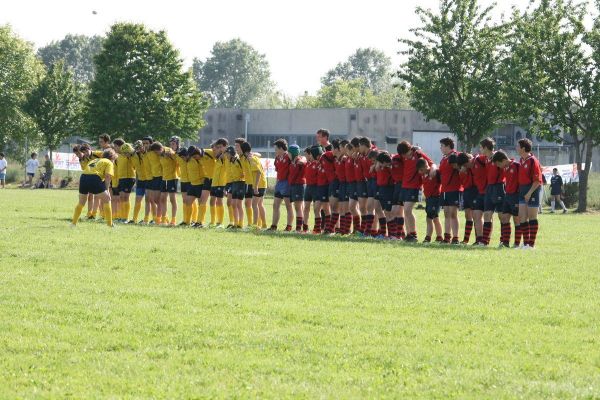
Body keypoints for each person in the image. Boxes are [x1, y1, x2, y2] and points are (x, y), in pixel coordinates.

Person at [398, 141, 436, 242]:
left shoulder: (418, 155)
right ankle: (409, 234)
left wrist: (433, 171)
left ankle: (413, 235)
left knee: (407, 210)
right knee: (405, 212)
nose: (405, 157)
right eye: (403, 155)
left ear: (410, 150)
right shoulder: (403, 156)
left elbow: (431, 164)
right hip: (404, 186)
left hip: (414, 187)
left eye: (406, 154)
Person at [71, 148, 116, 227]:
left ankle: (73, 223)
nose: (113, 161)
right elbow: (108, 176)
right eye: (114, 159)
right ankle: (110, 224)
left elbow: (87, 170)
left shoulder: (94, 160)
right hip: (94, 178)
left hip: (83, 177)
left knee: (81, 202)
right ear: (112, 157)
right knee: (107, 199)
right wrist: (107, 190)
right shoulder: (109, 162)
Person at [492, 150, 522, 248]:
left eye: (498, 163)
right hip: (507, 196)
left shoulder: (517, 166)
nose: (498, 166)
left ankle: (517, 243)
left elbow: (522, 181)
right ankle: (505, 243)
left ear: (504, 160)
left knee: (516, 219)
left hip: (516, 196)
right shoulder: (506, 168)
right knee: (504, 218)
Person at [517, 138, 542, 249]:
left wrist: (529, 193)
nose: (516, 148)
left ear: (523, 148)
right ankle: (526, 243)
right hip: (522, 191)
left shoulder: (533, 160)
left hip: (532, 190)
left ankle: (531, 245)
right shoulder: (521, 160)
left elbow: (537, 181)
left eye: (517, 146)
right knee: (522, 217)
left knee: (532, 217)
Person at [438, 137, 462, 244]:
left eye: (442, 146)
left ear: (448, 146)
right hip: (444, 189)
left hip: (454, 189)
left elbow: (461, 168)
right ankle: (447, 237)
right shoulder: (444, 158)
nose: (441, 148)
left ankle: (455, 238)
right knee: (446, 213)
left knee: (453, 213)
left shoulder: (455, 156)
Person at [269, 139, 293, 231]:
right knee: (275, 205)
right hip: (279, 183)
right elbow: (278, 171)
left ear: (281, 148)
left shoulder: (288, 156)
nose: (275, 151)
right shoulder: (277, 158)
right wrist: (276, 183)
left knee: (288, 206)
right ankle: (273, 226)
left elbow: (299, 159)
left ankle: (289, 226)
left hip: (287, 183)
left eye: (276, 149)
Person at [417, 158, 443, 243]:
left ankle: (428, 237)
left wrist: (433, 167)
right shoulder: (424, 175)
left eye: (421, 170)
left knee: (430, 218)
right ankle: (439, 237)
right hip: (428, 199)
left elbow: (435, 166)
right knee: (435, 218)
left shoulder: (434, 173)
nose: (420, 172)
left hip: (435, 198)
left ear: (425, 167)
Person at [457, 152, 476, 244]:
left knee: (477, 215)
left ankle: (479, 239)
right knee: (467, 215)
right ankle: (466, 239)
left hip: (475, 190)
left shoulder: (476, 163)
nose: (464, 166)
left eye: (465, 164)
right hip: (467, 191)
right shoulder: (463, 170)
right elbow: (462, 182)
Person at [374, 152, 395, 238]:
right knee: (384, 211)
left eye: (380, 163)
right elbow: (376, 169)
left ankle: (393, 234)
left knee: (388, 212)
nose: (378, 165)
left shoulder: (391, 168)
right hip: (381, 188)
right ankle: (385, 233)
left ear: (384, 162)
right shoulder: (381, 166)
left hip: (389, 189)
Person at [225, 145, 245, 228]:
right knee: (233, 204)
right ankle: (235, 223)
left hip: (241, 183)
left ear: (231, 153)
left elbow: (245, 170)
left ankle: (240, 223)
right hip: (234, 183)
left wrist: (242, 177)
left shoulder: (239, 160)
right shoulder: (231, 161)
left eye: (227, 154)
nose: (226, 156)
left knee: (239, 204)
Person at [287, 144, 306, 232]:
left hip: (299, 185)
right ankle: (300, 227)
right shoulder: (292, 161)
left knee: (298, 207)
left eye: (289, 153)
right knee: (298, 207)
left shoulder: (299, 160)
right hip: (294, 186)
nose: (288, 155)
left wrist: (301, 160)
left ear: (293, 153)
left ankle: (298, 228)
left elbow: (304, 160)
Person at [211, 138, 229, 228]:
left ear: (225, 147)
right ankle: (212, 222)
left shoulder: (226, 156)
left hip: (221, 183)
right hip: (214, 183)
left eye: (220, 147)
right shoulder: (218, 157)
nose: (218, 149)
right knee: (212, 201)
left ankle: (220, 222)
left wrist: (226, 185)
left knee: (219, 202)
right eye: (217, 147)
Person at [303, 147, 318, 233]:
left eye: (306, 154)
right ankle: (305, 227)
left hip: (315, 188)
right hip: (308, 187)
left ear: (310, 155)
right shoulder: (307, 163)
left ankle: (317, 228)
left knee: (316, 209)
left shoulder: (317, 163)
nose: (305, 156)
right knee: (306, 208)